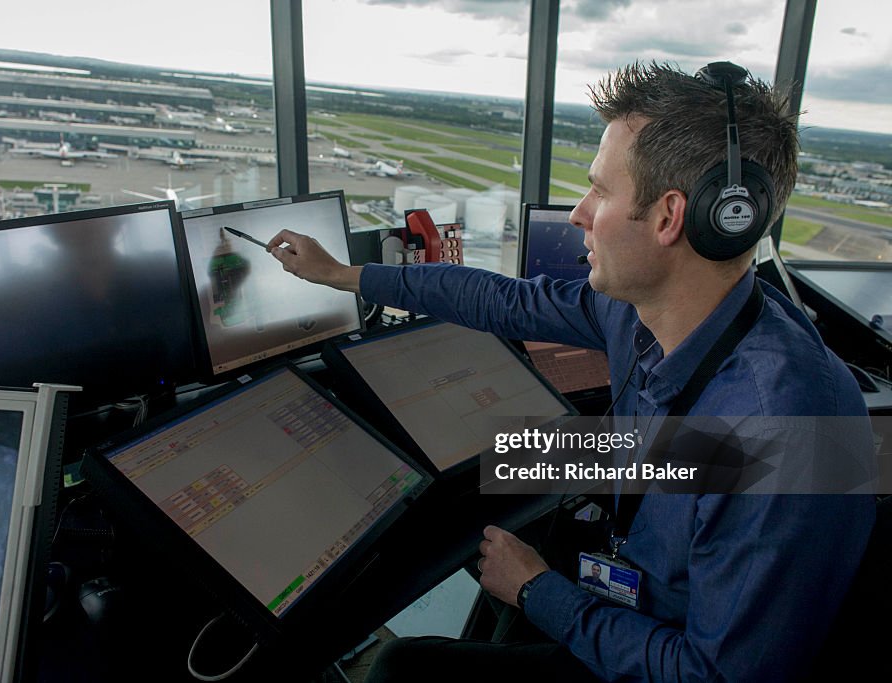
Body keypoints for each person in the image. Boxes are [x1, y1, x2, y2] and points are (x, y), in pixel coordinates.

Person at [266, 62, 875, 681]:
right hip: (644, 564)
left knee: (400, 666)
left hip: (671, 652)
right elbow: (502, 300)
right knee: (503, 465)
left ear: (671, 217)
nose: (579, 214)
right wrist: (346, 276)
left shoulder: (782, 430)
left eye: (600, 191)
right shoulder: (642, 313)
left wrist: (539, 592)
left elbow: (711, 677)